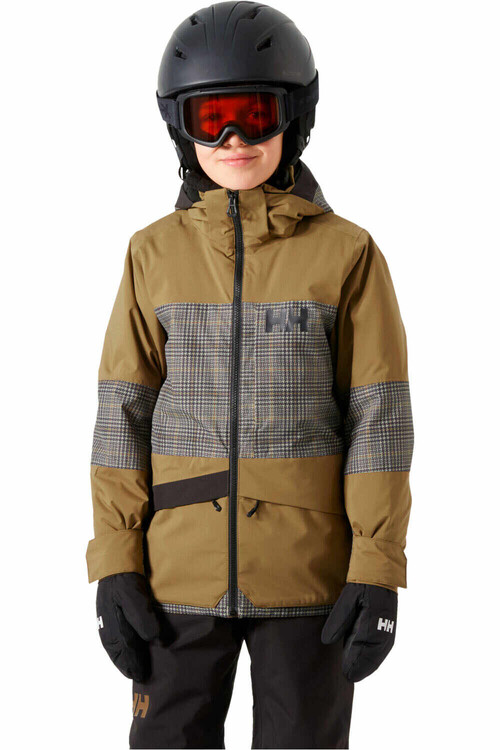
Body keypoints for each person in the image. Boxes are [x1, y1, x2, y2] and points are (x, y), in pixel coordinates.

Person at [86, 2, 414, 748]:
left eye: (254, 115)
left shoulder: (348, 254)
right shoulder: (151, 254)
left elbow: (380, 418)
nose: (233, 139)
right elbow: (122, 414)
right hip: (174, 579)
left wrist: (376, 567)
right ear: (181, 128)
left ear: (294, 117)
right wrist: (115, 562)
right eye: (211, 120)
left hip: (309, 582)